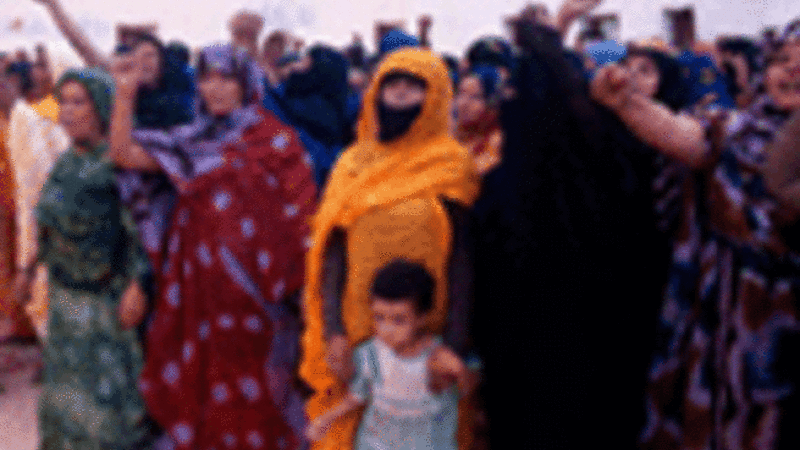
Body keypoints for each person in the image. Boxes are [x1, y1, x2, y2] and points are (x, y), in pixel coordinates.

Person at [593, 20, 800, 450]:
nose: (791, 70)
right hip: (731, 320)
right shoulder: (734, 129)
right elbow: (682, 134)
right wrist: (628, 104)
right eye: (781, 59)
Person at [115, 43, 316, 450]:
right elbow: (123, 154)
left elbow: (301, 216)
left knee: (262, 382)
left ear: (246, 84)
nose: (216, 88)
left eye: (226, 78)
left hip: (261, 294)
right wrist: (123, 94)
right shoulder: (192, 140)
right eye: (207, 78)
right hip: (200, 292)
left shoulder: (277, 141)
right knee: (207, 380)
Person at [300, 47, 480, 450]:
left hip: (425, 336)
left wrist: (453, 346)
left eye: (414, 86)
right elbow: (333, 252)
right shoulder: (353, 163)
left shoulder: (451, 164)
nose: (399, 93)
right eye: (390, 84)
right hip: (359, 327)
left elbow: (463, 261)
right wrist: (334, 332)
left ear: (436, 96)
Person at [15, 67, 156, 450]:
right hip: (64, 304)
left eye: (79, 102)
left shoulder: (117, 166)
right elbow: (47, 221)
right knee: (65, 406)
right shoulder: (65, 164)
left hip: (104, 307)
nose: (67, 111)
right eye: (63, 102)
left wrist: (138, 286)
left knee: (107, 410)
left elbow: (142, 232)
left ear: (102, 108)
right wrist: (28, 269)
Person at [307, 260, 469, 450]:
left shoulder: (440, 358)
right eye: (379, 317)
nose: (387, 330)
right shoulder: (370, 354)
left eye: (398, 320)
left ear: (422, 317)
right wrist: (326, 419)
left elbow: (466, 389)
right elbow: (356, 396)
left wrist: (460, 370)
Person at [454, 65, 504, 176]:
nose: (463, 103)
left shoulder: (496, 143)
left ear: (491, 103)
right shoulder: (454, 132)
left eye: (476, 97)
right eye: (461, 93)